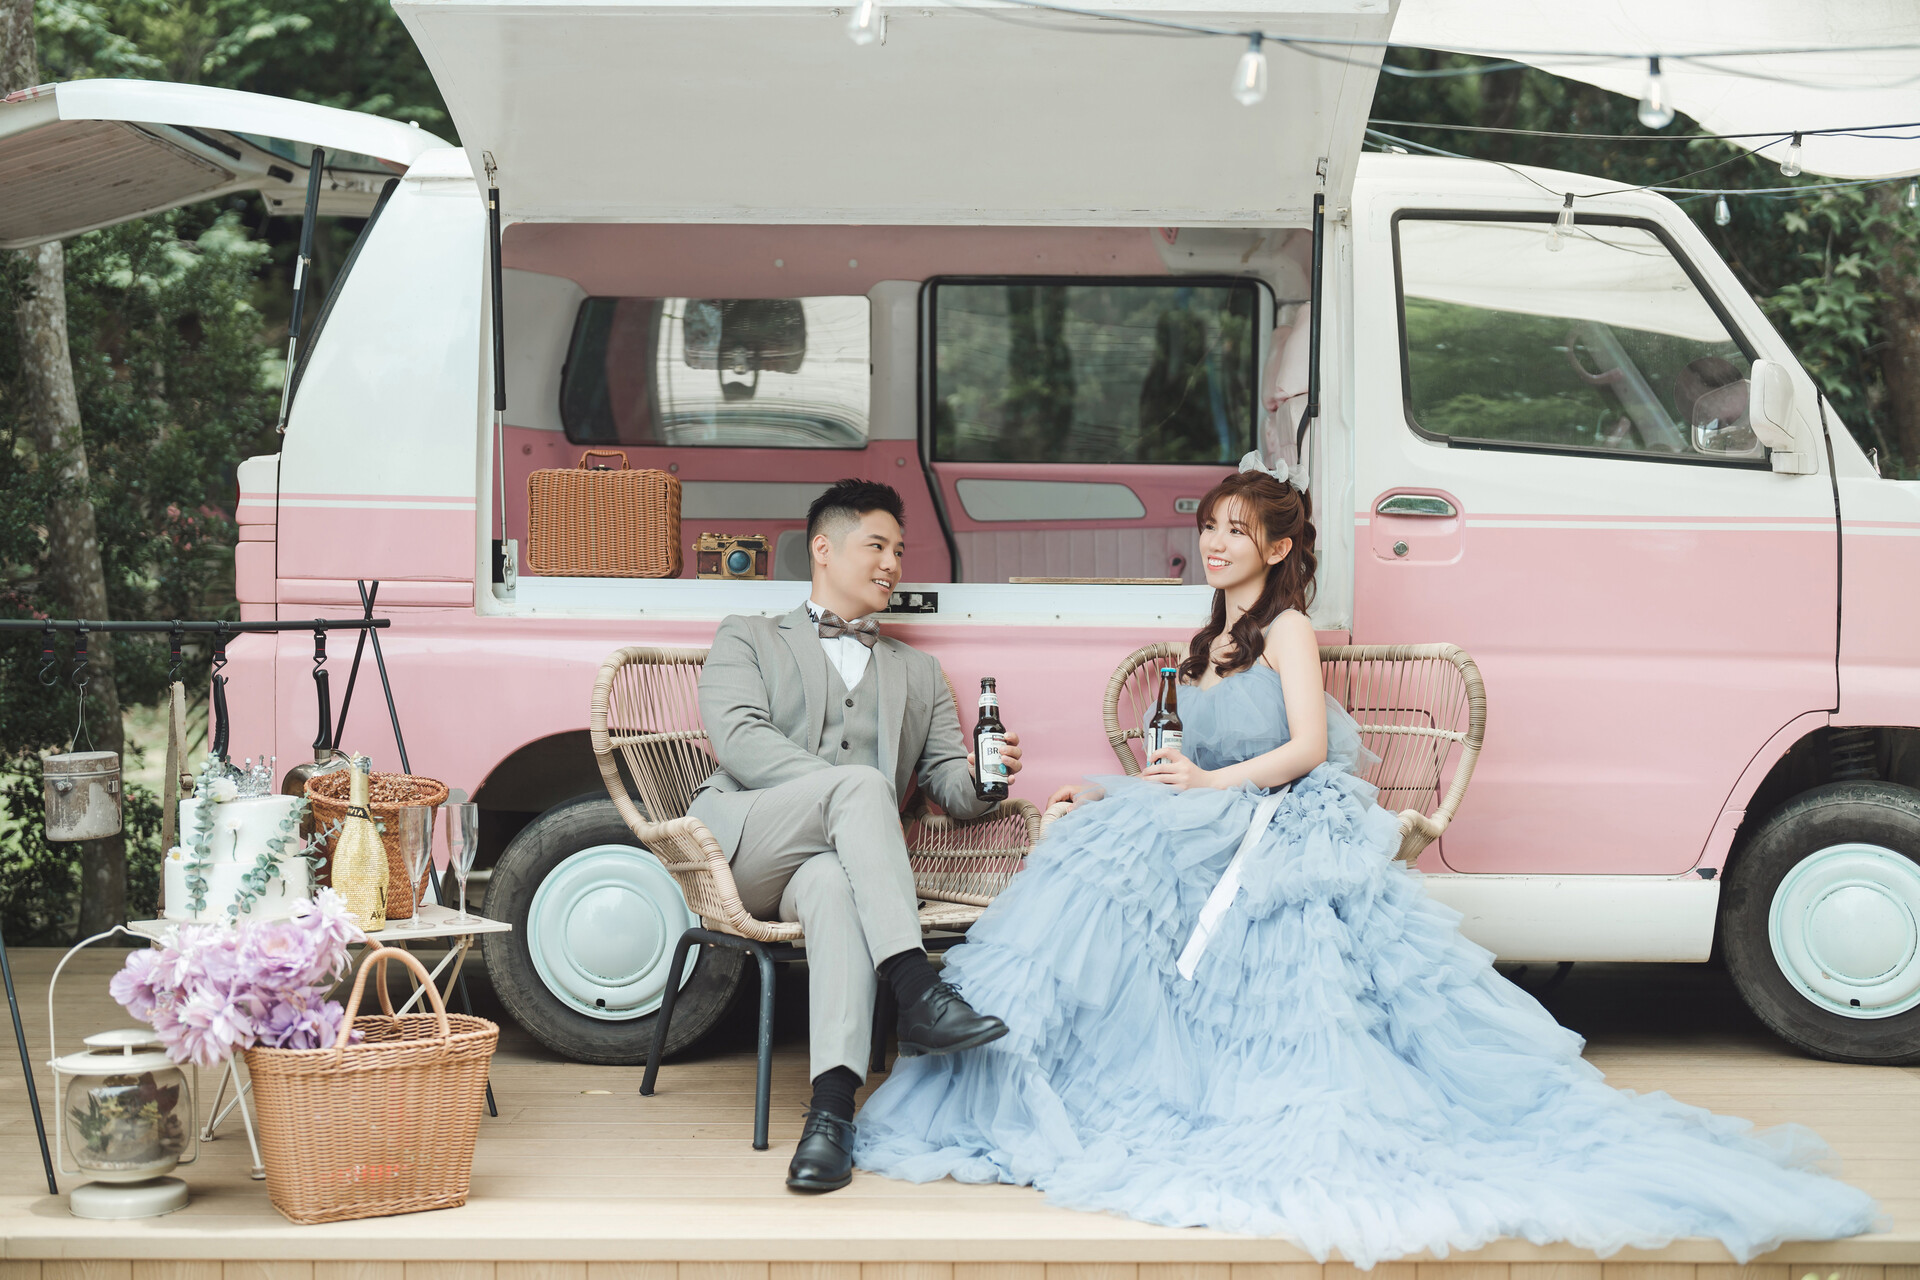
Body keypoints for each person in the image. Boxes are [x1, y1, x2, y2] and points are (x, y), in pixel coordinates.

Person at [852, 456, 1881, 1264]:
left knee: (1154, 880)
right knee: (1087, 843)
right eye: (1207, 527)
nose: (1215, 543)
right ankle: (1047, 1066)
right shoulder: (1200, 644)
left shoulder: (1288, 629)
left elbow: (1303, 748)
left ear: (1277, 546)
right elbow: (1186, 764)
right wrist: (1118, 789)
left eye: (1235, 530)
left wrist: (1208, 787)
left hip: (1279, 810)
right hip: (1211, 808)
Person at [690, 478, 1022, 1195]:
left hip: (831, 870)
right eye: (877, 546)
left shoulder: (920, 673)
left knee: (834, 888)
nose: (893, 564)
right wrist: (849, 794)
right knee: (864, 787)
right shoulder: (747, 635)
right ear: (823, 549)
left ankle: (831, 1116)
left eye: (900, 551)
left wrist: (987, 781)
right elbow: (741, 741)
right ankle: (917, 988)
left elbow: (948, 785)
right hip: (749, 847)